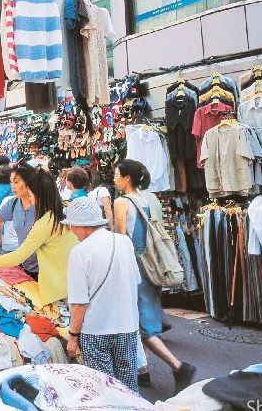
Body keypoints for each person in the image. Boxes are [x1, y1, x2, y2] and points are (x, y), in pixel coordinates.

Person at [113, 158, 196, 393]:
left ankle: (179, 366)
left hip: (137, 266)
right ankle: (143, 370)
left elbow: (121, 238)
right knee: (143, 318)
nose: (114, 178)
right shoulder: (151, 199)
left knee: (143, 327)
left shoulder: (122, 202)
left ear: (127, 178)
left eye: (117, 175)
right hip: (154, 265)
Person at [0, 166, 79, 307]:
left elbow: (18, 256)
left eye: (32, 195)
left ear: (40, 195)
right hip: (67, 280)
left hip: (55, 285)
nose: (30, 199)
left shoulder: (45, 222)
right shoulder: (59, 213)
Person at [64, 196, 141, 392]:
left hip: (95, 331)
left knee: (104, 392)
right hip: (127, 328)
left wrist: (72, 337)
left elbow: (79, 303)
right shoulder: (124, 242)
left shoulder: (79, 252)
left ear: (83, 226)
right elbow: (135, 282)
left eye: (72, 225)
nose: (71, 231)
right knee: (129, 390)